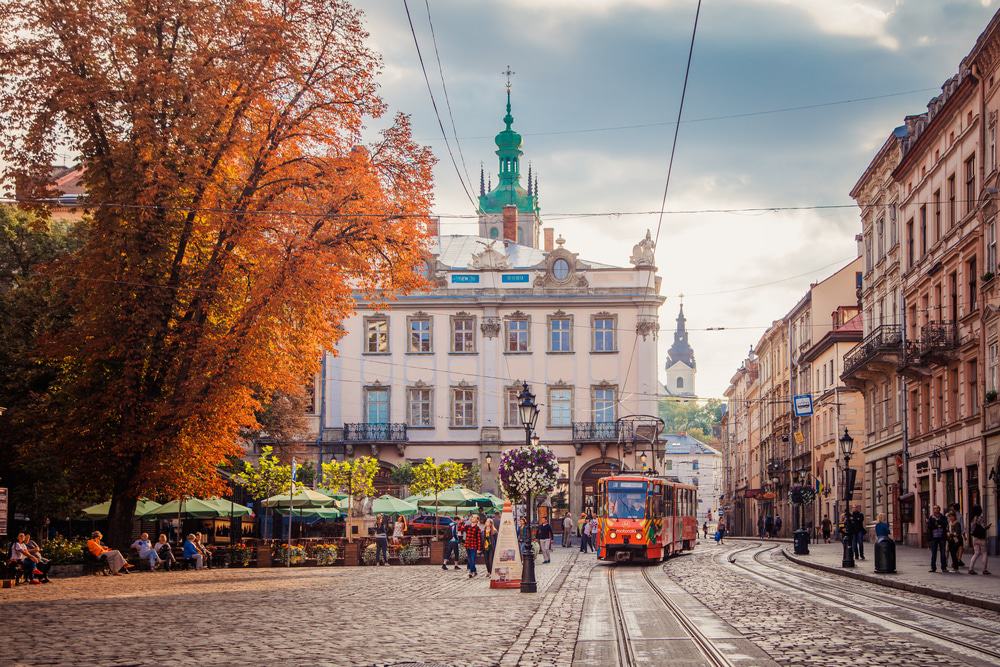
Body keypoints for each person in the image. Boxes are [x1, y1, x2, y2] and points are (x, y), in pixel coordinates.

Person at [968, 506, 992, 575]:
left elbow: (972, 529)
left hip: (974, 538)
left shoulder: (972, 518)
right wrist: (987, 527)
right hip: (981, 538)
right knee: (984, 553)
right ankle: (984, 570)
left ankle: (970, 569)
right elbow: (984, 527)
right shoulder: (980, 517)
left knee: (976, 553)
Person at [927, 505, 949, 573]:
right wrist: (937, 525)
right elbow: (929, 527)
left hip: (942, 537)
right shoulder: (931, 518)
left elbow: (945, 524)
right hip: (934, 537)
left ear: (939, 510)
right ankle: (933, 567)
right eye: (934, 509)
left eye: (937, 509)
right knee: (934, 553)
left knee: (943, 552)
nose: (935, 510)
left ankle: (944, 567)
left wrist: (938, 523)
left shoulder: (943, 517)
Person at [950, 503, 965, 567]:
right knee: (960, 546)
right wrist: (963, 534)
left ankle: (956, 561)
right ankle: (958, 560)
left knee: (955, 548)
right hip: (958, 534)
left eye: (952, 507)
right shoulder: (959, 515)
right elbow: (962, 526)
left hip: (953, 534)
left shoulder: (952, 515)